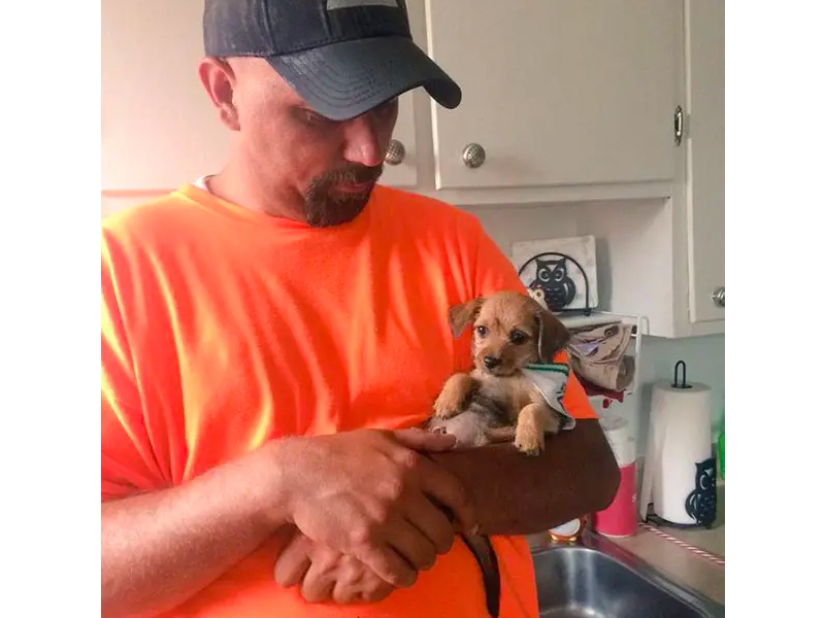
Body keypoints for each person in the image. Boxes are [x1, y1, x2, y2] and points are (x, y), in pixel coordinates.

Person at [100, 0, 620, 617]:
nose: (371, 151)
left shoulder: (451, 242)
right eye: (320, 112)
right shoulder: (119, 271)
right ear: (223, 91)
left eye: (384, 103)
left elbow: (587, 467)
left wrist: (397, 508)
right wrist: (278, 483)